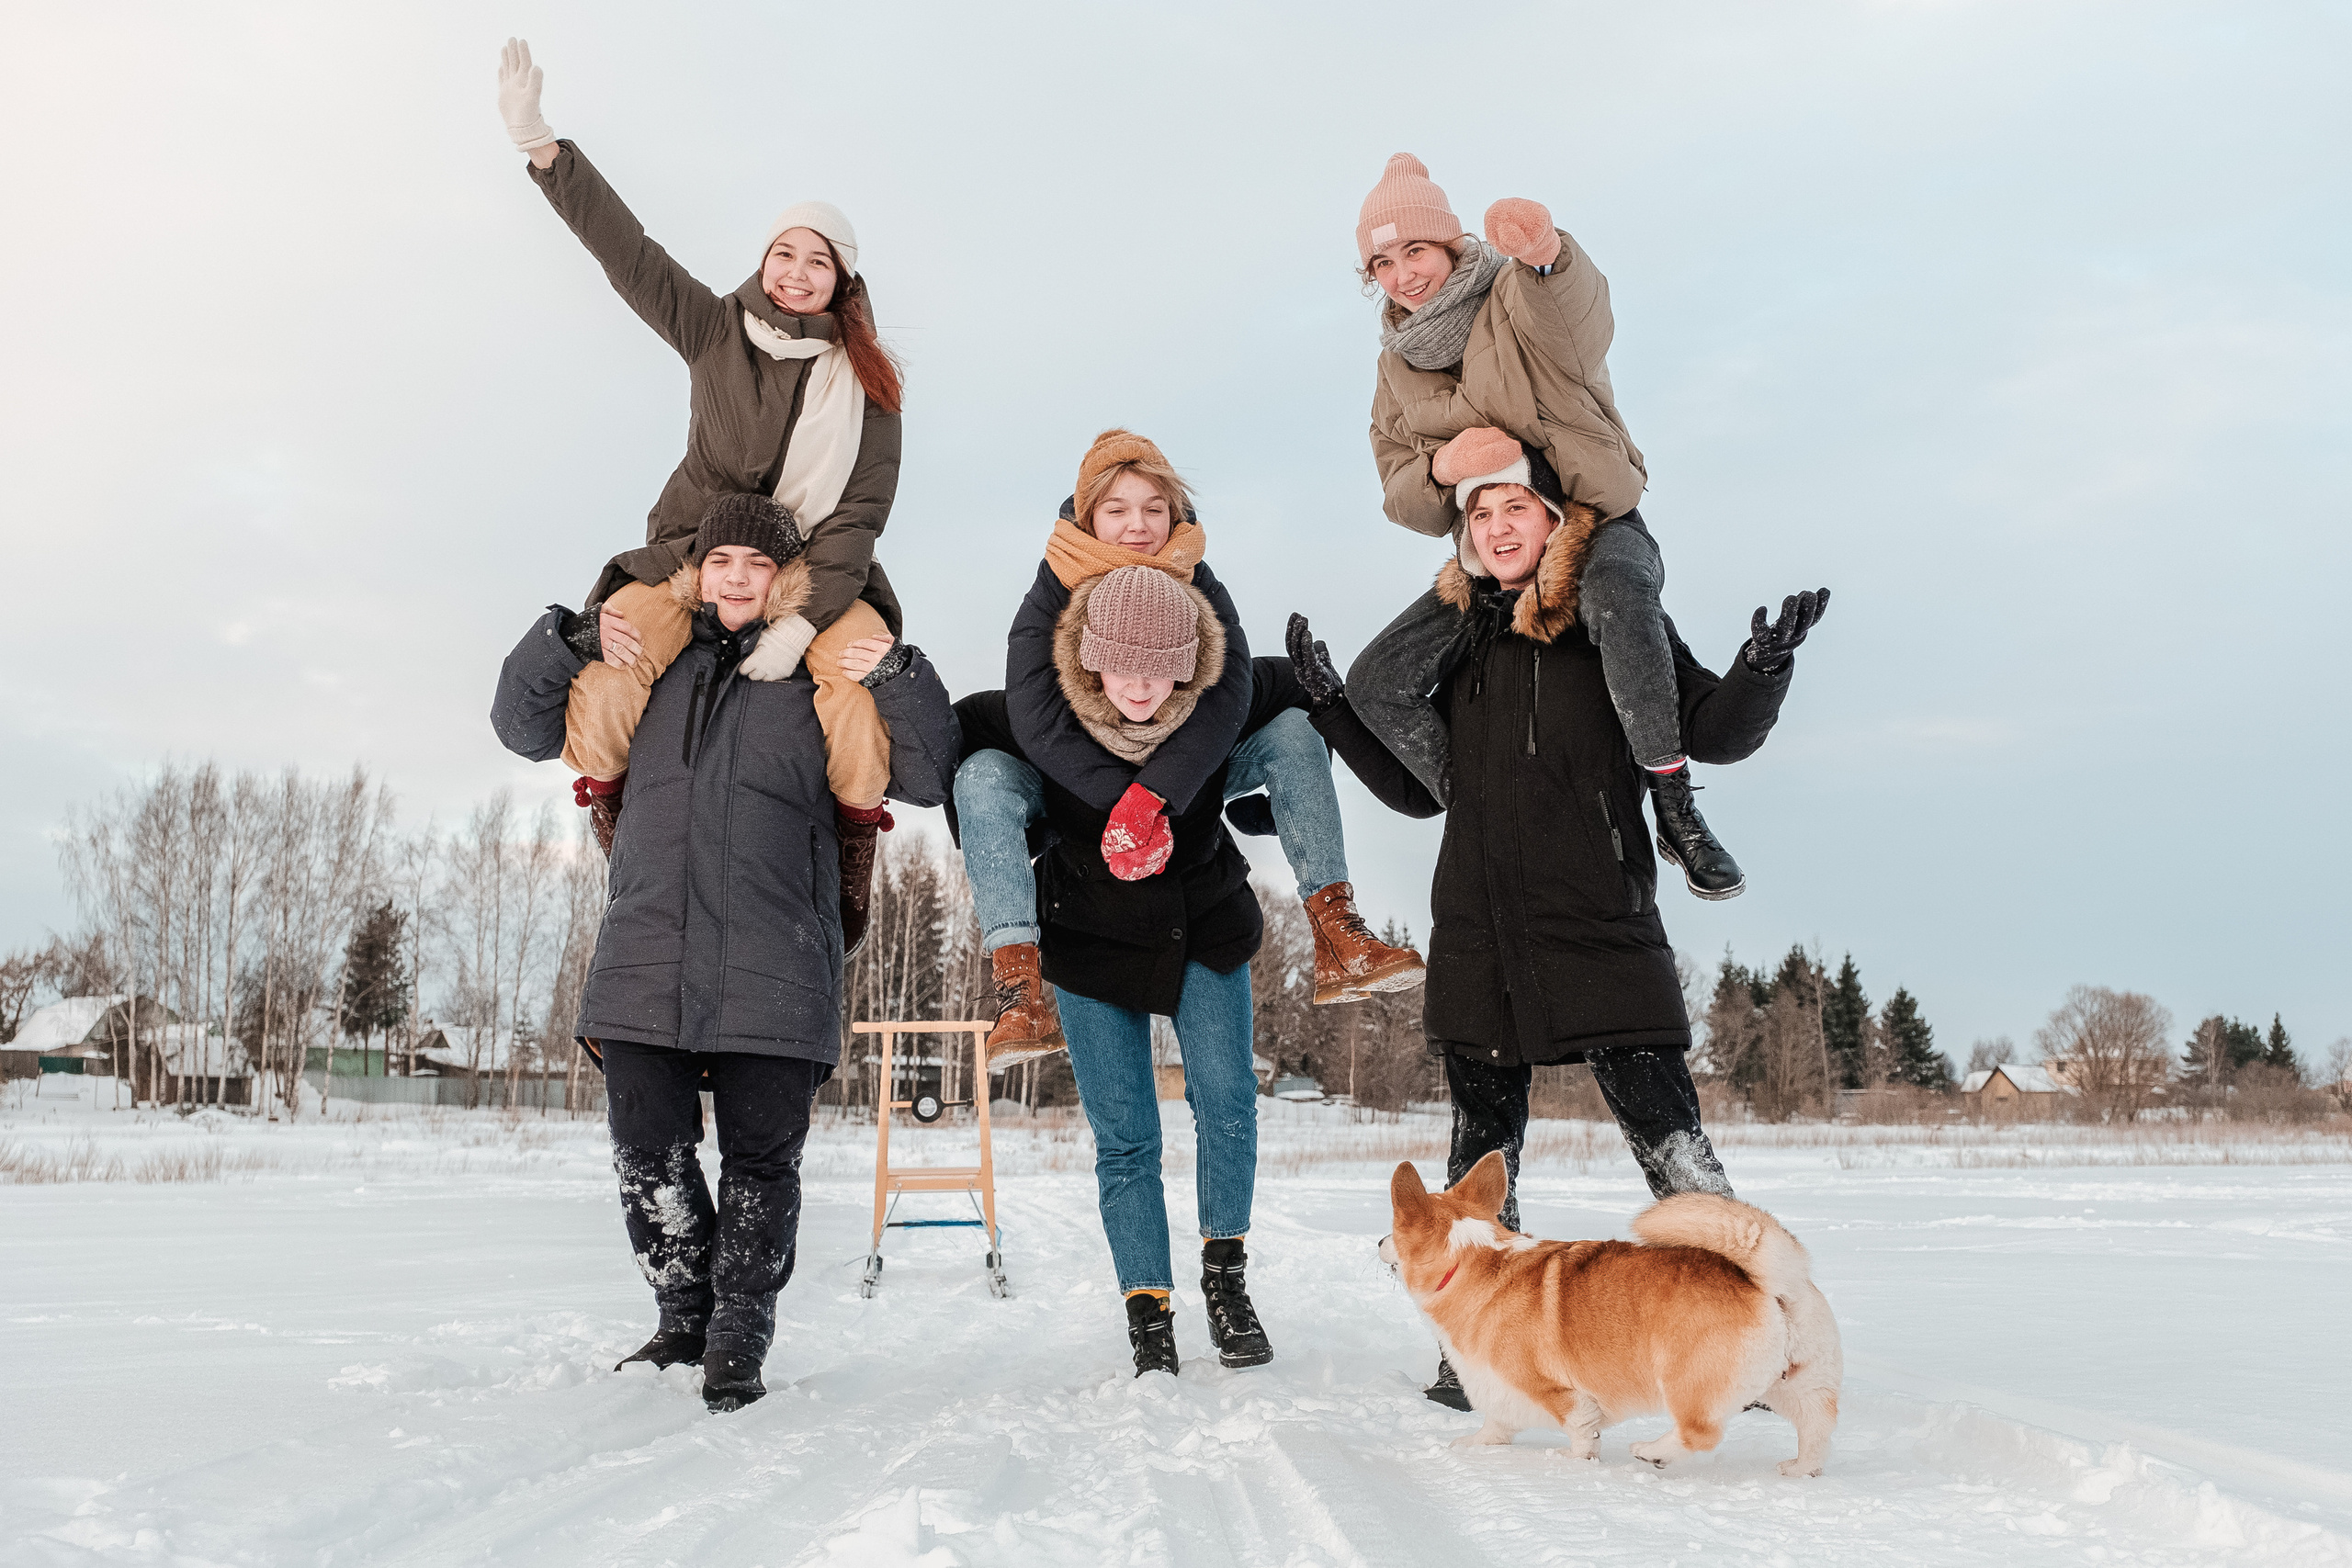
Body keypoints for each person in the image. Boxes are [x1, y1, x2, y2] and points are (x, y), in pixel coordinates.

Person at [1286, 436, 1827, 1409]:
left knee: (1675, 1150)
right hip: (1480, 930)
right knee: (1478, 1165)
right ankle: (1473, 1357)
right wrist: (1332, 710)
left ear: (1555, 521)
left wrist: (1763, 666)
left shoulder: (1619, 629)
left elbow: (1713, 730)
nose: (1496, 529)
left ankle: (1759, 1341)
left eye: (1515, 511)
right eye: (1478, 517)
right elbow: (1416, 796)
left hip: (1598, 918)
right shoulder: (1458, 646)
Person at [491, 496, 959, 1414]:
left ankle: (738, 1336)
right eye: (720, 562)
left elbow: (930, 772)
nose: (736, 578)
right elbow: (520, 727)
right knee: (646, 1154)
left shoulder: (824, 680)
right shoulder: (651, 666)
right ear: (695, 572)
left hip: (779, 951)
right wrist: (569, 638)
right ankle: (682, 1318)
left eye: (757, 562)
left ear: (787, 576)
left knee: (759, 1167)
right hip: (645, 945)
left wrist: (901, 672)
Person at [495, 39, 909, 951]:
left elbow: (859, 516)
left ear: (842, 280)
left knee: (851, 696)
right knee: (612, 677)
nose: (796, 271)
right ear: (765, 260)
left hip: (813, 578)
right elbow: (628, 254)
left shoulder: (869, 382)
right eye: (783, 253)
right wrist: (543, 149)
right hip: (691, 556)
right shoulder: (716, 330)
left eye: (817, 262)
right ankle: (612, 826)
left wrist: (803, 622)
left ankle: (850, 854)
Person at [1347, 152, 1826, 902]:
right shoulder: (1394, 372)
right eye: (1382, 261)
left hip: (1596, 519)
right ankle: (1476, 804)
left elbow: (1578, 328)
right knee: (1376, 679)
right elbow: (1398, 490)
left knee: (1615, 600)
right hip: (1498, 553)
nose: (1403, 273)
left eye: (1415, 250)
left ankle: (1674, 806)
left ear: (1448, 245)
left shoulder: (1511, 294)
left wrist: (1548, 256)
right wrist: (1442, 472)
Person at [952, 565, 1319, 1377]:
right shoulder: (1043, 720)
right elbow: (956, 747)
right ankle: (1148, 1314)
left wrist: (1323, 709)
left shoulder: (1213, 715)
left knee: (1227, 1102)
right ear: (1091, 663)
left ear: (1190, 664)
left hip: (1204, 926)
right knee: (1126, 1140)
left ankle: (1226, 1280)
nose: (1142, 685)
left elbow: (1301, 701)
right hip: (1088, 939)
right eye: (1123, 666)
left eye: (1162, 667)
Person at [964, 429, 1420, 1069]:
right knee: (981, 772)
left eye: (1153, 508)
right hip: (1078, 777)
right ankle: (1019, 985)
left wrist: (1157, 794)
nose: (1137, 526)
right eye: (1117, 509)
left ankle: (1337, 928)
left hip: (1182, 771)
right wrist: (1113, 797)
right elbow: (1033, 710)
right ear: (1088, 513)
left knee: (1291, 727)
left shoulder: (1196, 574)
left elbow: (1228, 694)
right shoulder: (1055, 583)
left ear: (1174, 511)